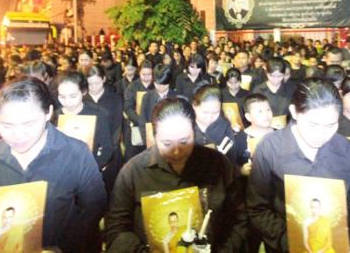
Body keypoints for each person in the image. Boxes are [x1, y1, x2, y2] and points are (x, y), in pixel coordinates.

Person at [0, 78, 107, 253]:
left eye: (29, 124)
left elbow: (93, 208)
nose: (18, 135)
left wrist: (63, 248)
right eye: (6, 125)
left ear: (48, 113)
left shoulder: (75, 154)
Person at [105, 97, 247, 252]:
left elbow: (240, 219)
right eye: (167, 143)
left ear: (194, 132)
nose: (177, 151)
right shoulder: (133, 172)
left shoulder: (218, 164)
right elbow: (116, 229)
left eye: (184, 141)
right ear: (154, 136)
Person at [247, 79, 350, 252]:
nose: (321, 134)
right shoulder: (270, 148)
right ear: (294, 112)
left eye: (331, 125)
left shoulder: (348, 152)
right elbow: (257, 208)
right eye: (313, 124)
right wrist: (289, 241)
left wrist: (347, 242)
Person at [54, 71, 115, 178]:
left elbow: (107, 148)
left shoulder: (98, 115)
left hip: (88, 171)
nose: (67, 102)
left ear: (83, 92)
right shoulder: (54, 117)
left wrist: (94, 168)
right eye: (62, 97)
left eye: (73, 96)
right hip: (61, 172)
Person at [192, 84, 238, 163]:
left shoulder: (224, 126)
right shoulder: (185, 126)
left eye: (215, 112)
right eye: (205, 112)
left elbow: (232, 158)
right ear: (194, 106)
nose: (209, 118)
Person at [123, 60, 155, 160]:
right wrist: (140, 120)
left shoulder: (156, 86)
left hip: (153, 126)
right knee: (135, 156)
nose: (146, 77)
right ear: (139, 73)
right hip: (136, 125)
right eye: (143, 74)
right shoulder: (132, 87)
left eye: (149, 74)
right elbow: (128, 107)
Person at [139, 64, 176, 146]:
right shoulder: (147, 97)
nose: (161, 88)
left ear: (170, 82)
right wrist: (147, 141)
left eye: (164, 85)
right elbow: (142, 122)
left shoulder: (176, 98)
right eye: (158, 84)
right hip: (152, 141)